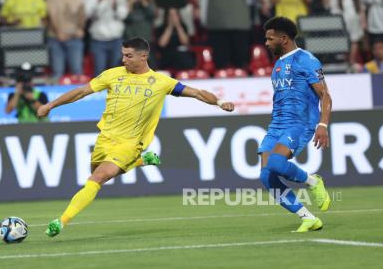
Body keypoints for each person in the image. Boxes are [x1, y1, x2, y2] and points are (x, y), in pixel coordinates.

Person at [37, 37, 235, 237]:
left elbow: (197, 93)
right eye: (123, 55)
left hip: (130, 143)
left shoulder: (161, 82)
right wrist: (50, 105)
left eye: (129, 56)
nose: (124, 60)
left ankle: (60, 221)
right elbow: (81, 92)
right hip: (104, 139)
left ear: (144, 56)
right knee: (101, 177)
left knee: (98, 177)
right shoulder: (112, 75)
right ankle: (141, 161)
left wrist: (219, 101)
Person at [259, 17, 332, 232]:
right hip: (277, 125)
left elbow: (325, 96)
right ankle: (307, 217)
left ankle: (313, 182)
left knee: (276, 164)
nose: (266, 43)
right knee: (266, 176)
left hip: (299, 124)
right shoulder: (278, 64)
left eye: (269, 39)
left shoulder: (306, 60)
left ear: (283, 39)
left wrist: (323, 125)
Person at [46, 0, 86, 80]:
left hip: (74, 37)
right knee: (57, 72)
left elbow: (82, 16)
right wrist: (58, 33)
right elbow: (50, 17)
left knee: (77, 71)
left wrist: (80, 29)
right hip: (55, 38)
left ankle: (78, 93)